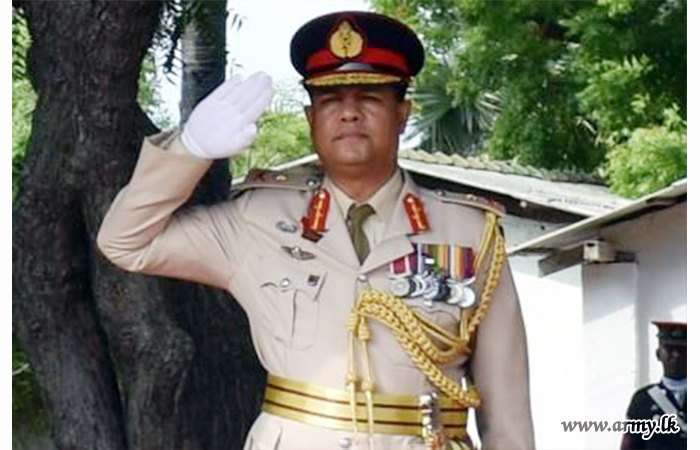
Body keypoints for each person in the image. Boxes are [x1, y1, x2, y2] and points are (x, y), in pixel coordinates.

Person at [98, 11, 534, 450]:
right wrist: (189, 151)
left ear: (402, 114)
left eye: (370, 97)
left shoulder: (469, 232)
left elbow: (507, 412)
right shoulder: (257, 219)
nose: (349, 113)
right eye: (330, 100)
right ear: (311, 117)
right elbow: (125, 241)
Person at [620, 322, 687, 450]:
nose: (676, 355)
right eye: (669, 349)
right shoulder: (642, 400)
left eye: (683, 350)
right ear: (658, 354)